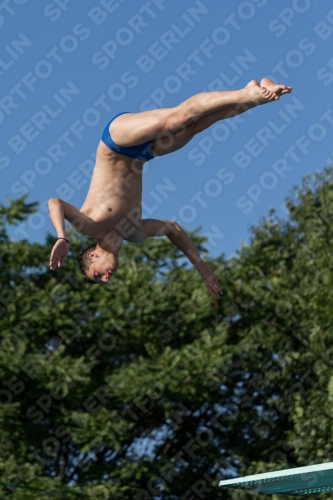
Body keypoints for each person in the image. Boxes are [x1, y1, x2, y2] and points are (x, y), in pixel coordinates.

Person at [48, 78, 292, 299]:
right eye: (103, 280)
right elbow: (172, 228)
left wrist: (62, 237)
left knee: (180, 117)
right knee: (199, 124)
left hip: (116, 142)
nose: (106, 278)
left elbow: (55, 203)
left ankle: (245, 94)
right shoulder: (135, 232)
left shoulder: (88, 225)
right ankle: (255, 93)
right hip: (144, 154)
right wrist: (201, 267)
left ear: (92, 256)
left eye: (97, 275)